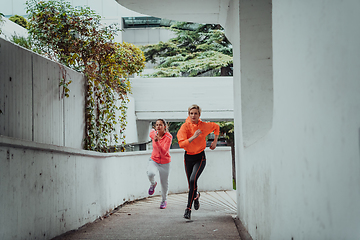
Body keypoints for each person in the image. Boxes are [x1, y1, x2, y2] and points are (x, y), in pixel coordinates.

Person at [177, 104, 220, 219]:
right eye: (191, 113)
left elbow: (216, 126)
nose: (193, 115)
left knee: (192, 179)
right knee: (191, 184)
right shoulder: (185, 127)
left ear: (199, 115)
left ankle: (188, 209)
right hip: (188, 158)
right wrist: (193, 137)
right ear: (189, 114)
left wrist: (215, 141)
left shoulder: (204, 126)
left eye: (195, 113)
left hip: (200, 157)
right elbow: (181, 144)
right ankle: (195, 196)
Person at [147, 119, 173, 209]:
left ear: (164, 127)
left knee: (164, 183)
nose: (158, 126)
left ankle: (163, 200)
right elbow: (151, 132)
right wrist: (153, 132)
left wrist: (157, 142)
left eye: (160, 125)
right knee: (150, 173)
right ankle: (153, 184)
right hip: (154, 160)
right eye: (157, 125)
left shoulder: (168, 137)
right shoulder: (153, 134)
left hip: (165, 162)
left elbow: (164, 152)